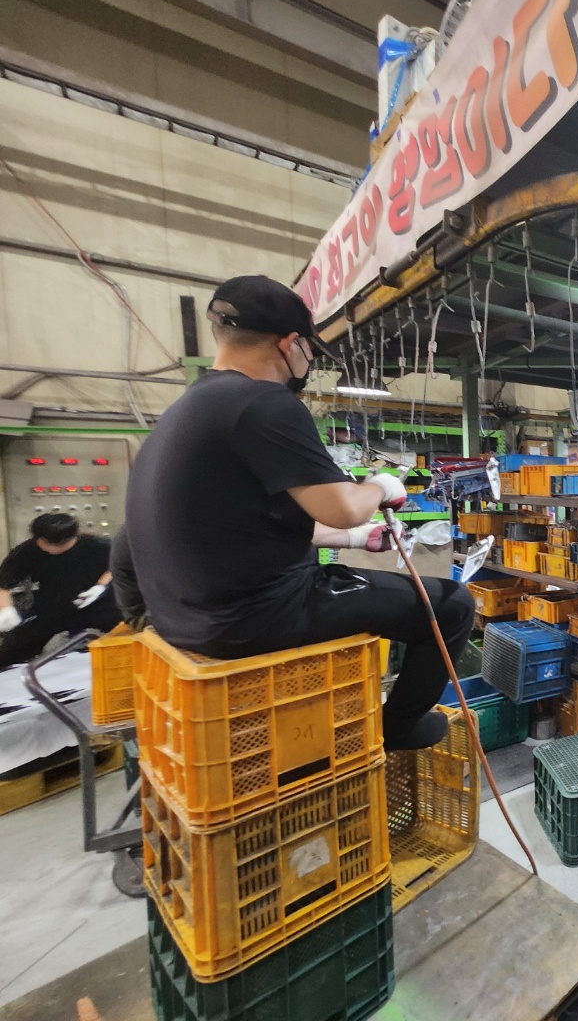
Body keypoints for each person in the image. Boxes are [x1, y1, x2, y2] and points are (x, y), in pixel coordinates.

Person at [121, 275, 473, 750]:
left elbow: (239, 529)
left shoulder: (184, 411)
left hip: (182, 621)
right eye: (309, 350)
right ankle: (398, 728)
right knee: (452, 605)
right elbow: (344, 508)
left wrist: (353, 540)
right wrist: (381, 486)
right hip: (257, 618)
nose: (308, 362)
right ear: (290, 344)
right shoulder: (263, 402)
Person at [0, 513, 121, 669]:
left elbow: (116, 567)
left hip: (99, 605)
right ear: (39, 539)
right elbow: (3, 582)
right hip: (54, 607)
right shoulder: (26, 552)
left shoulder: (97, 545)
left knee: (127, 635)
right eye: (47, 543)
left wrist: (100, 587)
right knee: (15, 646)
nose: (55, 548)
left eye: (63, 544)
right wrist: (5, 609)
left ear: (74, 537)